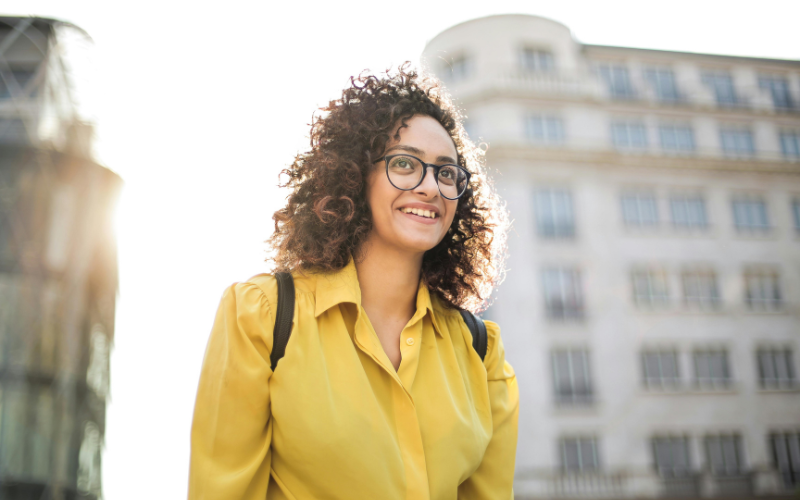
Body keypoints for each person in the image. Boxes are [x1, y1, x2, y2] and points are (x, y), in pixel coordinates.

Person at [189, 65, 518, 500]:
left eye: (446, 173)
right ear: (355, 174)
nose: (430, 188)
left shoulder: (482, 354)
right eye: (404, 164)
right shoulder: (261, 316)